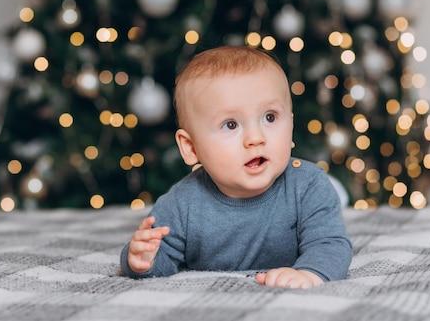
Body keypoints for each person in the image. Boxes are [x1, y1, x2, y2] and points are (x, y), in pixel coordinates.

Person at [119, 46, 353, 288]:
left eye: (270, 117)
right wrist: (142, 260)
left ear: (291, 126)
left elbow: (330, 243)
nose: (255, 137)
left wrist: (310, 274)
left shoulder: (308, 185)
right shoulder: (182, 204)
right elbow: (160, 256)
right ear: (191, 148)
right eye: (231, 124)